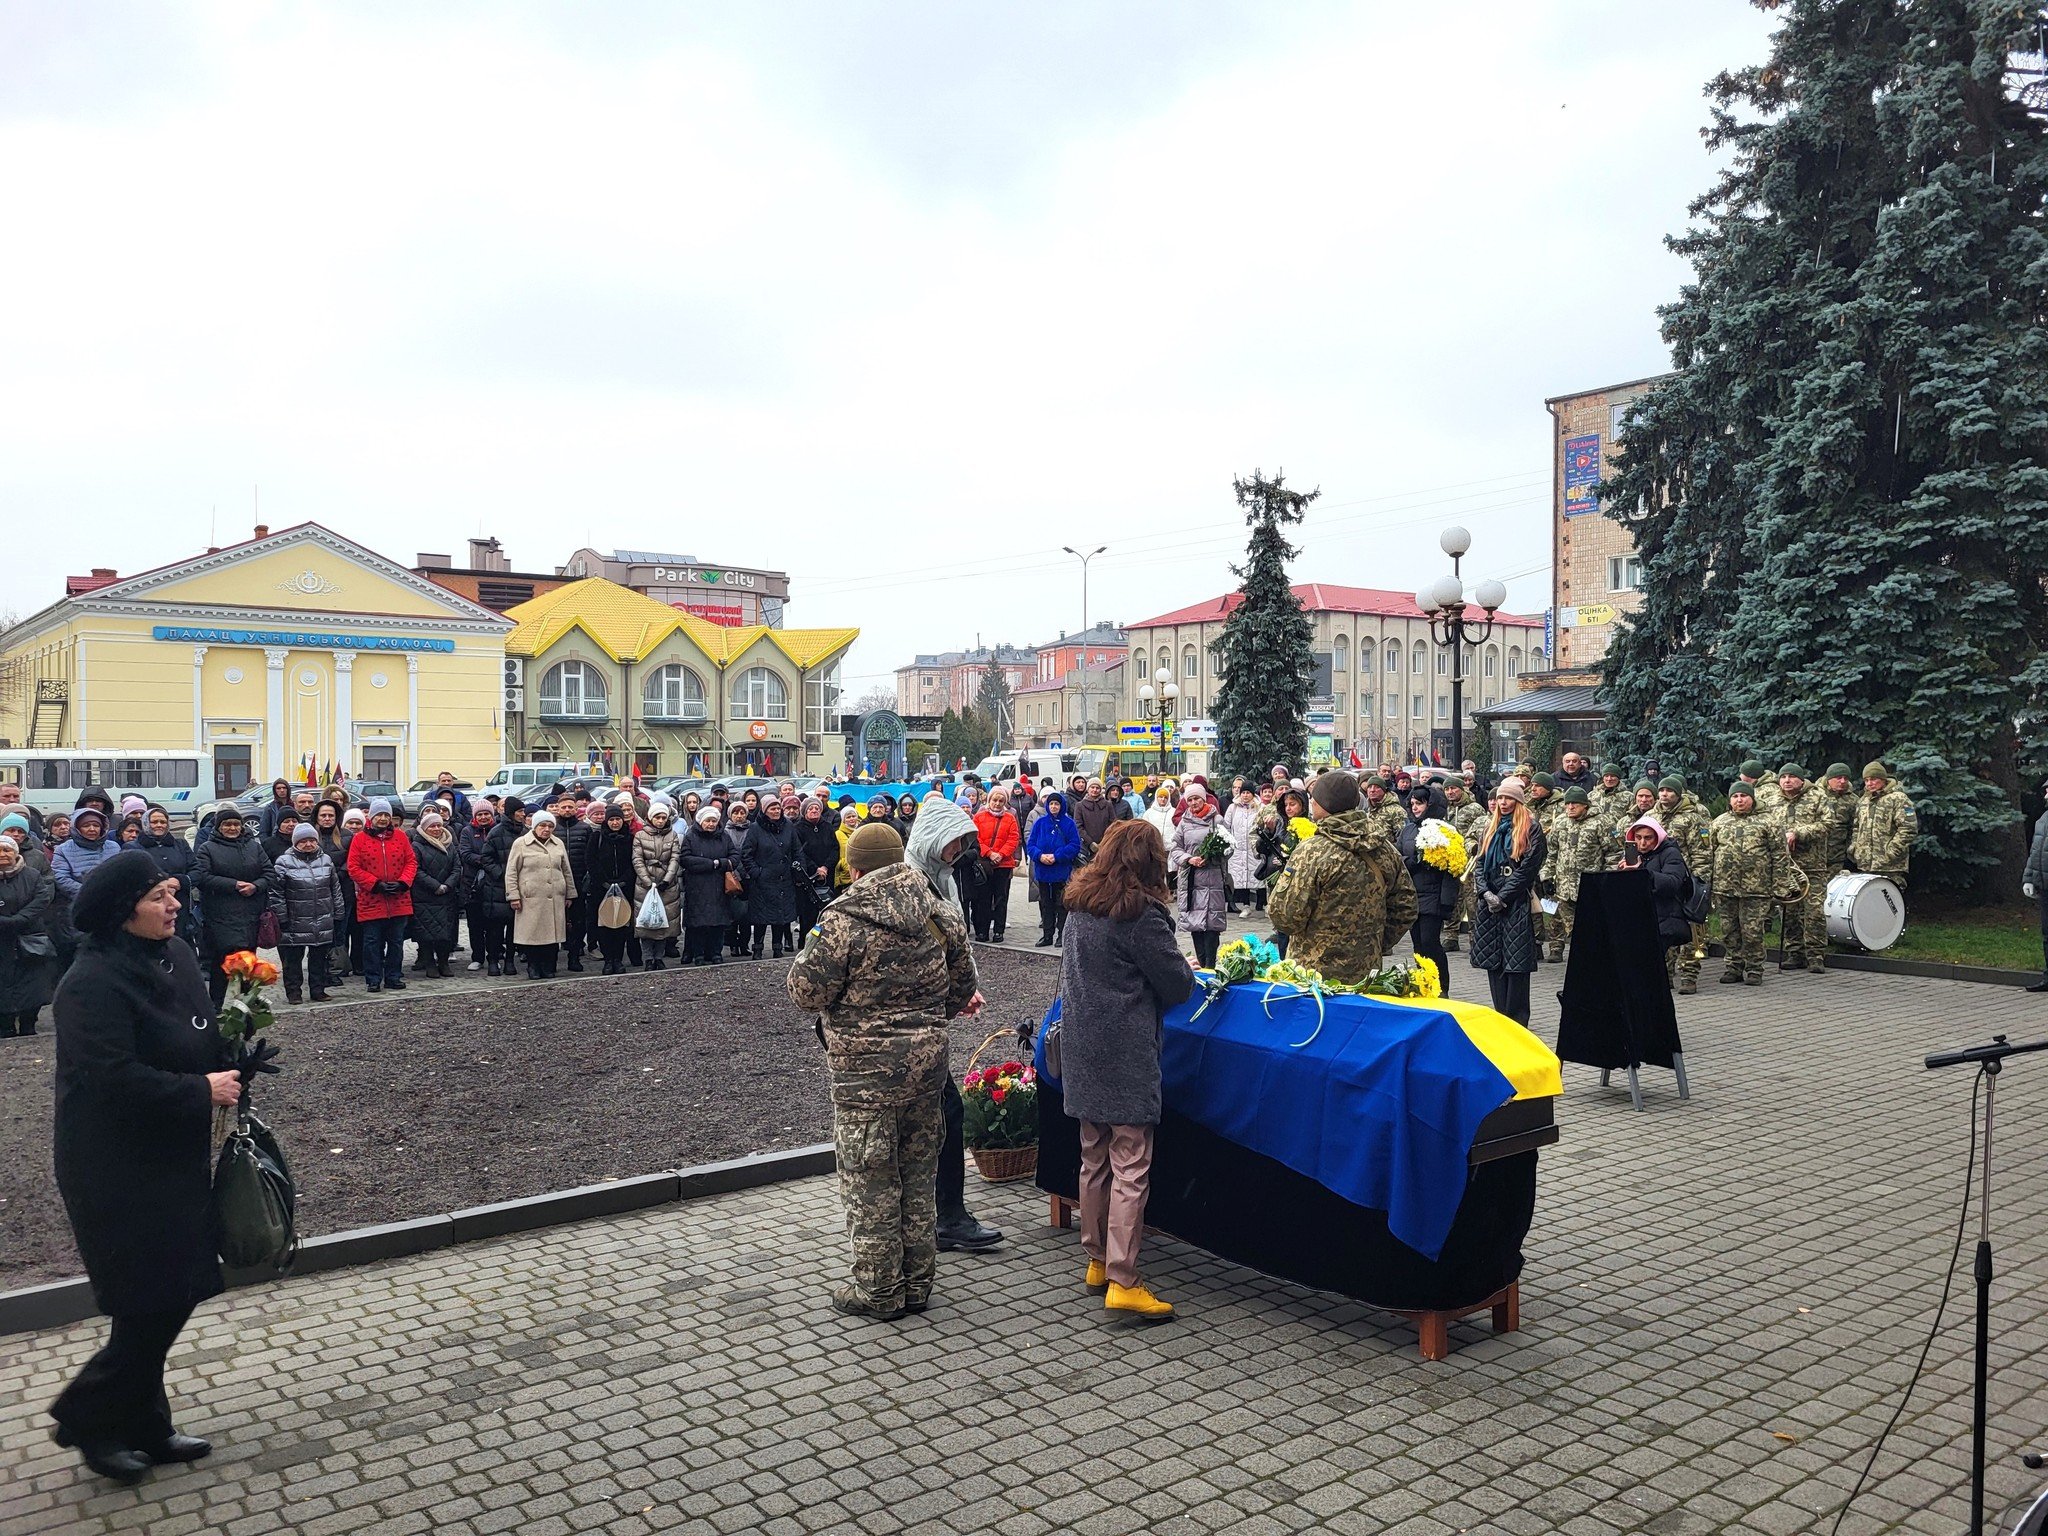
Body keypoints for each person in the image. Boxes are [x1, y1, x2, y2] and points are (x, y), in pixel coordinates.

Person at [49, 850, 242, 1484]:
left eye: (173, 892)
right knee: (147, 1299)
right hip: (113, 1165)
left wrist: (235, 1053)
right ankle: (88, 1416)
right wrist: (200, 1090)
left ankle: (144, 1424)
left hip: (172, 1153)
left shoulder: (176, 954)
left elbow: (194, 1035)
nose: (174, 904)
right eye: (159, 896)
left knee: (176, 1289)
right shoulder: (90, 982)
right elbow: (111, 1078)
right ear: (121, 910)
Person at [786, 822, 981, 1320]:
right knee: (918, 1177)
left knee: (870, 1182)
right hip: (927, 1070)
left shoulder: (841, 921)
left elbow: (805, 992)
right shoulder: (939, 912)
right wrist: (925, 1023)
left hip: (864, 1077)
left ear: (855, 868)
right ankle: (917, 1284)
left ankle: (879, 1291)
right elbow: (963, 987)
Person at [1056, 819, 1195, 1321]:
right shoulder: (1140, 915)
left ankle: (1097, 1261)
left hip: (1082, 1048)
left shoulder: (1079, 904)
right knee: (1130, 1165)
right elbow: (1178, 986)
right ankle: (1124, 1279)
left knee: (1092, 1158)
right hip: (1126, 1053)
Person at [1268, 771, 1413, 986]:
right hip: (1366, 973)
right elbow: (1406, 906)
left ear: (1325, 804)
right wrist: (1374, 942)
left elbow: (1286, 916)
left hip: (1313, 976)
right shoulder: (1384, 848)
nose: (1312, 802)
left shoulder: (1312, 851)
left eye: (1315, 798)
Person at [1469, 778, 1545, 1023]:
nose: (1502, 802)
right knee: (1494, 963)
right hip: (1489, 903)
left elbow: (1528, 869)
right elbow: (1479, 863)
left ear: (1518, 801)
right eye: (1500, 797)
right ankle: (1501, 1018)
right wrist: (1485, 893)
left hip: (1515, 903)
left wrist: (1502, 897)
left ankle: (1517, 1022)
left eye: (1508, 798)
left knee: (1517, 965)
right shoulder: (1489, 828)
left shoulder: (1531, 828)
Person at [1709, 782, 1789, 987]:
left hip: (1756, 888)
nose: (1739, 800)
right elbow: (1710, 852)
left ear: (1752, 798)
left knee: (1752, 931)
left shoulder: (1768, 822)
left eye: (1743, 796)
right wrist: (1708, 883)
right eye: (1735, 797)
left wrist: (1780, 885)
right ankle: (1733, 966)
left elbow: (1780, 855)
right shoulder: (1719, 822)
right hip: (1725, 887)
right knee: (1728, 930)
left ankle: (1754, 968)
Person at [191, 806, 270, 1010]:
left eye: (236, 824)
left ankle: (246, 1007)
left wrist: (256, 886)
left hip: (250, 913)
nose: (232, 828)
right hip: (220, 915)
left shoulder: (253, 847)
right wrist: (233, 885)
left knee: (248, 962)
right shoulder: (207, 848)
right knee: (222, 963)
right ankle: (215, 1007)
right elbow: (203, 877)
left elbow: (269, 873)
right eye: (227, 824)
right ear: (218, 827)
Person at [268, 822, 345, 1003]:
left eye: (312, 840)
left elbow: (335, 888)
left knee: (319, 958)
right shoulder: (283, 862)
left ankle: (318, 990)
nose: (308, 844)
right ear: (295, 842)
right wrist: (281, 916)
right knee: (292, 960)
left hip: (322, 918)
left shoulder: (326, 860)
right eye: (303, 841)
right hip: (294, 920)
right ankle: (294, 992)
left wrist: (338, 912)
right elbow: (276, 892)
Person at [346, 799, 417, 994]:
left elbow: (411, 862)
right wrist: (375, 884)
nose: (383, 818)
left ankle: (393, 976)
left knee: (396, 942)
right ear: (371, 817)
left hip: (398, 898)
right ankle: (373, 979)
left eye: (386, 815)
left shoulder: (401, 837)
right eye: (379, 815)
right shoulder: (359, 839)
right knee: (372, 942)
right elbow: (353, 868)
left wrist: (403, 882)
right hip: (372, 899)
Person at [1649, 776, 1711, 995]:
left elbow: (1702, 852)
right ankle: (1663, 975)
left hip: (1685, 883)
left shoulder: (1693, 818)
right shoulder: (1651, 817)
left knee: (1690, 931)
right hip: (1661, 882)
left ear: (1678, 794)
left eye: (1669, 791)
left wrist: (1698, 883)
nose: (1664, 794)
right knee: (1663, 929)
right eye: (1661, 790)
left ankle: (1689, 975)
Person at [1398, 784, 1458, 993]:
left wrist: (1447, 901)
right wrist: (1411, 861)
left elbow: (1453, 867)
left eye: (1420, 803)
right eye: (1413, 803)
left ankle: (1441, 986)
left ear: (1430, 804)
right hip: (1412, 894)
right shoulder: (1407, 830)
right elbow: (1397, 856)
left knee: (1430, 942)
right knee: (1418, 945)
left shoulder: (1445, 831)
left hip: (1433, 894)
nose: (1415, 807)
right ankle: (1424, 983)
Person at [1618, 817, 1695, 980]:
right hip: (1639, 917)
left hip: (1665, 917)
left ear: (1657, 837)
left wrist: (1642, 871)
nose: (1642, 843)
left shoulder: (1670, 853)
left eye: (1648, 838)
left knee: (1654, 966)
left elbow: (1672, 883)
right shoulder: (1632, 854)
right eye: (1638, 837)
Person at [1165, 782, 1232, 969]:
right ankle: (1202, 965)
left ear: (1204, 799)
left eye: (1197, 799)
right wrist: (1189, 859)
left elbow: (1229, 846)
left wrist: (1214, 855)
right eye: (1190, 800)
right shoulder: (1184, 822)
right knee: (1195, 924)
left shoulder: (1217, 820)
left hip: (1212, 878)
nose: (1194, 803)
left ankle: (1210, 965)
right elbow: (1175, 848)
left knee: (1211, 924)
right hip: (1191, 879)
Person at [1775, 765, 1832, 975]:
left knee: (1814, 912)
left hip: (1813, 866)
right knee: (1789, 911)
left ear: (1801, 780)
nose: (1787, 780)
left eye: (1792, 777)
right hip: (1786, 867)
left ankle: (1815, 955)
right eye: (1783, 777)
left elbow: (1828, 824)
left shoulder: (1817, 796)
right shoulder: (1772, 800)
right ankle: (1794, 953)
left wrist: (1798, 833)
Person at [506, 809, 574, 978]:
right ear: (534, 826)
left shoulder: (558, 843)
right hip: (531, 898)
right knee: (533, 935)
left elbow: (566, 870)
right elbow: (512, 871)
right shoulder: (521, 843)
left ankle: (548, 966)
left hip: (555, 897)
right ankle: (533, 966)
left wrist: (570, 893)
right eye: (542, 825)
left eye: (550, 826)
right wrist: (513, 895)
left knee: (552, 935)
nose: (546, 829)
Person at [0, 832, 55, 1037]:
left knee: (32, 985)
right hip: (2, 942)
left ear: (15, 853)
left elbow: (42, 898)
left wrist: (19, 919)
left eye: (7, 850)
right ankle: (5, 1027)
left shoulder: (32, 875)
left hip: (30, 938)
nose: (3, 854)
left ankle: (29, 1024)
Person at [51, 804, 118, 969]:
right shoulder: (63, 850)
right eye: (86, 825)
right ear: (77, 828)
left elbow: (121, 873)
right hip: (77, 907)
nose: (92, 829)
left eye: (96, 825)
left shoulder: (113, 847)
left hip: (111, 907)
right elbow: (60, 877)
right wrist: (89, 894)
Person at [1548, 787, 1609, 964]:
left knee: (1591, 927)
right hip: (1564, 888)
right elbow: (1552, 852)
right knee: (1572, 929)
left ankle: (1595, 960)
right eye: (1568, 803)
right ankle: (1580, 960)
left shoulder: (1600, 822)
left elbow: (1613, 853)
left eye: (1575, 803)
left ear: (1585, 805)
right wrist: (1547, 875)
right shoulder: (1560, 822)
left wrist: (1606, 879)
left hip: (1589, 886)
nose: (1571, 807)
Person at [741, 796, 803, 958]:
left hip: (784, 879)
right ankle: (758, 949)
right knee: (760, 918)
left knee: (780, 917)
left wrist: (797, 869)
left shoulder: (788, 826)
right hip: (762, 881)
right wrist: (757, 872)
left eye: (777, 808)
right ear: (764, 810)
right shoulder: (755, 828)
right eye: (772, 808)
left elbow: (797, 850)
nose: (776, 811)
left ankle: (777, 948)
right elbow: (746, 854)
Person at [587, 801, 643, 973]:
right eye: (611, 819)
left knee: (621, 924)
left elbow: (634, 862)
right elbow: (591, 861)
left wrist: (624, 881)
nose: (615, 823)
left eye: (618, 819)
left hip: (624, 888)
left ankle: (618, 959)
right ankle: (608, 960)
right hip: (601, 889)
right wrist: (604, 882)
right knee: (604, 925)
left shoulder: (630, 839)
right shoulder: (597, 838)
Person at [407, 810, 464, 978]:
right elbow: (416, 870)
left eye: (439, 825)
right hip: (425, 897)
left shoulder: (449, 844)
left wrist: (447, 885)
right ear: (424, 828)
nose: (437, 829)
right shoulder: (417, 846)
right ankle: (430, 964)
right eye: (432, 826)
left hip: (447, 896)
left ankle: (443, 962)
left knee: (445, 934)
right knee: (426, 934)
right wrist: (435, 886)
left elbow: (457, 867)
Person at [681, 805, 740, 965]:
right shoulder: (691, 836)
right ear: (701, 821)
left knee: (718, 924)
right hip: (697, 887)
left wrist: (720, 863)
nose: (711, 824)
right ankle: (698, 954)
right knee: (698, 924)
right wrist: (711, 864)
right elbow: (686, 859)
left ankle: (715, 953)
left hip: (719, 886)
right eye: (708, 821)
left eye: (714, 821)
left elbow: (734, 856)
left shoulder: (724, 837)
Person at [1025, 790, 1081, 946]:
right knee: (1046, 904)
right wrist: (1040, 855)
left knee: (1061, 904)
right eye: (1051, 804)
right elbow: (1031, 844)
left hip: (1061, 871)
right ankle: (1047, 935)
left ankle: (1062, 935)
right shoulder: (1040, 823)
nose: (1054, 806)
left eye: (1057, 804)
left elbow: (1074, 845)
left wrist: (1057, 856)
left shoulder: (1068, 823)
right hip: (1043, 871)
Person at [632, 803, 684, 970]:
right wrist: (647, 881)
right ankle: (648, 958)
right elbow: (637, 860)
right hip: (645, 885)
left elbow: (675, 858)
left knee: (664, 922)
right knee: (646, 923)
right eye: (657, 817)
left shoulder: (672, 835)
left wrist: (667, 879)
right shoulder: (640, 835)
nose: (660, 821)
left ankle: (659, 957)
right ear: (650, 818)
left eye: (663, 818)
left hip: (666, 884)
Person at [1850, 761, 1917, 888]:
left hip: (1890, 866)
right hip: (1865, 865)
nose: (1869, 783)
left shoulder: (1898, 799)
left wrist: (1892, 851)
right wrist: (1855, 848)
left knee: (1891, 897)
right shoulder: (1863, 801)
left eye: (1873, 779)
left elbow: (1909, 828)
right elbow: (1856, 827)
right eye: (1866, 780)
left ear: (1883, 779)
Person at [970, 786, 1020, 943]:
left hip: (1003, 865)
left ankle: (999, 930)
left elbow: (1013, 839)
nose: (997, 803)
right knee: (983, 899)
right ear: (989, 800)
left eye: (1001, 801)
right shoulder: (979, 817)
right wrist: (989, 853)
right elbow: (975, 838)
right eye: (995, 800)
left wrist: (1001, 854)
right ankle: (982, 931)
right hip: (985, 863)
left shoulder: (1010, 818)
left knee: (1000, 899)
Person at [2024, 779, 2048, 993]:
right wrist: (2029, 879)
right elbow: (2035, 852)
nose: (2046, 794)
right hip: (2045, 887)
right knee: (2047, 934)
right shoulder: (2043, 820)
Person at [1820, 763, 1860, 873]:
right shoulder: (1815, 795)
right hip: (1815, 856)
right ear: (1829, 779)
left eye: (1845, 778)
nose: (1842, 781)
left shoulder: (1853, 800)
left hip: (1838, 857)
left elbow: (1855, 827)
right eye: (1838, 778)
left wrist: (1851, 850)